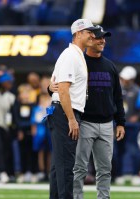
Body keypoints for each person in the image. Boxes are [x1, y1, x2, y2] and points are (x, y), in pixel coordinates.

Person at [72, 25, 126, 199]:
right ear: (89, 40)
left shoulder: (110, 66)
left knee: (105, 169)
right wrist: (51, 88)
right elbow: (62, 86)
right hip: (85, 122)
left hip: (106, 124)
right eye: (98, 37)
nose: (102, 40)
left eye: (103, 37)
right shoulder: (79, 63)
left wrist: (121, 123)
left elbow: (118, 96)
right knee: (79, 168)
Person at [47, 18, 98, 199]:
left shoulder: (75, 55)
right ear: (78, 34)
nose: (93, 35)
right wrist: (71, 119)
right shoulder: (70, 55)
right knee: (66, 165)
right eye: (88, 32)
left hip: (64, 111)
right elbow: (63, 90)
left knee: (59, 165)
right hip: (65, 112)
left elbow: (56, 86)